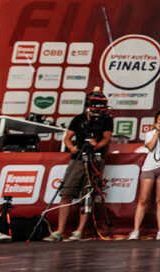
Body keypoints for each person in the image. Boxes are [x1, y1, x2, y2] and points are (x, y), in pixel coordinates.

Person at [44, 88, 113, 242]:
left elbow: (106, 138)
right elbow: (67, 138)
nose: (98, 108)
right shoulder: (78, 119)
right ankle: (59, 231)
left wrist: (96, 146)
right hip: (77, 158)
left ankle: (79, 231)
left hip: (95, 159)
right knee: (66, 193)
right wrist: (71, 147)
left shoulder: (107, 119)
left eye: (100, 104)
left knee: (88, 194)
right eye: (95, 103)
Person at [128, 111, 160, 240]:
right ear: (156, 121)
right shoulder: (150, 133)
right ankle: (135, 231)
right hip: (149, 167)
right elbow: (150, 147)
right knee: (143, 199)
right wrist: (156, 132)